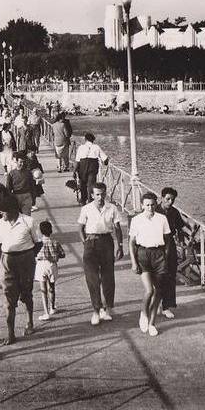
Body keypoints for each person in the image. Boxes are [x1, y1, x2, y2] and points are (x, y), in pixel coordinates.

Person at [0, 197, 41, 345]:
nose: (1, 215)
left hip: (25, 260)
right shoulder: (0, 223)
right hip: (7, 261)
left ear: (12, 211)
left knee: (26, 293)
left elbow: (37, 243)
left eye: (3, 212)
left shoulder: (28, 221)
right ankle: (10, 333)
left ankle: (29, 323)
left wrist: (28, 258)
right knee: (8, 298)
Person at [77, 182, 124, 326]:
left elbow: (117, 228)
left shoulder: (112, 208)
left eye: (103, 193)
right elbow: (80, 228)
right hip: (91, 242)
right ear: (92, 195)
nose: (100, 197)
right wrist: (85, 242)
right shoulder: (86, 208)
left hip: (107, 242)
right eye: (97, 194)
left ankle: (107, 308)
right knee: (92, 278)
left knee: (108, 277)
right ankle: (96, 310)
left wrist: (120, 246)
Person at [129, 192, 171, 336]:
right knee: (149, 291)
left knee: (158, 291)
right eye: (147, 205)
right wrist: (133, 262)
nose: (150, 207)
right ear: (142, 205)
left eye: (153, 204)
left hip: (159, 255)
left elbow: (168, 240)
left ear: (156, 204)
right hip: (143, 255)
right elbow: (131, 243)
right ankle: (143, 314)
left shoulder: (162, 218)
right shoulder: (136, 220)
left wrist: (165, 256)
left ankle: (152, 323)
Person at [156, 187, 187, 319]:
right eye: (167, 199)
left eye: (172, 200)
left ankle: (166, 306)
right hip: (155, 245)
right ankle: (156, 303)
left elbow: (180, 228)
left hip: (170, 245)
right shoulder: (154, 210)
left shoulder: (174, 212)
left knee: (170, 276)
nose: (170, 202)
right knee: (157, 277)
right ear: (161, 198)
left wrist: (182, 242)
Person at [35, 220, 65, 321]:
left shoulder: (38, 243)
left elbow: (34, 254)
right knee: (51, 287)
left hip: (41, 265)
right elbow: (62, 254)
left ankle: (46, 312)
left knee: (43, 290)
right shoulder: (55, 242)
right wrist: (55, 255)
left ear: (40, 231)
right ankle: (52, 307)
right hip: (52, 265)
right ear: (51, 230)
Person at [73, 132, 109, 206]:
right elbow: (105, 159)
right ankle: (90, 200)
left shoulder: (81, 147)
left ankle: (83, 200)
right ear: (93, 140)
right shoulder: (96, 147)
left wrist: (74, 170)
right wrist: (106, 163)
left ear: (85, 139)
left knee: (82, 183)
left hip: (82, 165)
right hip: (93, 165)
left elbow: (77, 161)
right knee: (91, 184)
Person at [5, 151, 36, 216]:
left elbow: (32, 187)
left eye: (23, 162)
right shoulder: (11, 173)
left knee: (26, 216)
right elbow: (8, 188)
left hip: (27, 196)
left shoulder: (28, 173)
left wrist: (33, 199)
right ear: (16, 161)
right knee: (16, 217)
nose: (22, 164)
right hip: (16, 196)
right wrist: (9, 200)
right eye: (20, 162)